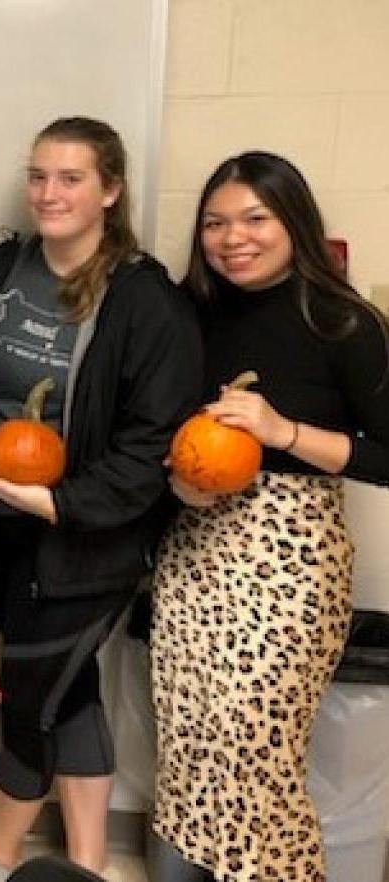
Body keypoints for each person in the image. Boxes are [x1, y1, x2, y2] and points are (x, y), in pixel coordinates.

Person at [0, 118, 201, 881]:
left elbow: (150, 448)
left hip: (84, 542)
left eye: (70, 178)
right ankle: (88, 862)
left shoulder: (144, 302)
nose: (49, 193)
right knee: (69, 687)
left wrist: (59, 505)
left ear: (111, 190)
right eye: (38, 176)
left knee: (28, 694)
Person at [149, 151, 389, 882]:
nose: (233, 238)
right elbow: (165, 429)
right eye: (216, 223)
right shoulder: (191, 315)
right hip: (196, 547)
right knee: (191, 736)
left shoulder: (344, 320)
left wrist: (283, 433)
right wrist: (182, 489)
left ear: (295, 223)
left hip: (293, 552)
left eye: (256, 218)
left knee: (256, 743)